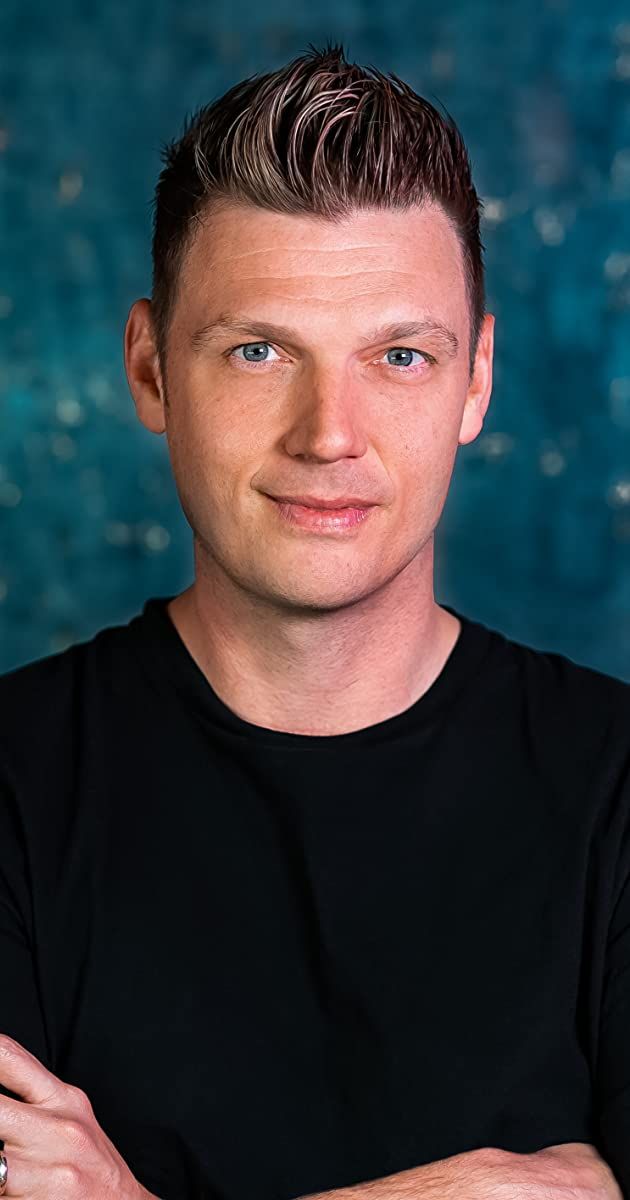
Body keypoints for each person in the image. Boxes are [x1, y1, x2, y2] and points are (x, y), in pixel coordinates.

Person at [0, 38, 629, 1200]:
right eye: (257, 350)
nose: (328, 434)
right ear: (148, 371)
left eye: (398, 354)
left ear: (477, 381)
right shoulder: (10, 782)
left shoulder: (619, 784)